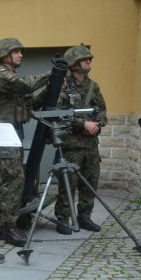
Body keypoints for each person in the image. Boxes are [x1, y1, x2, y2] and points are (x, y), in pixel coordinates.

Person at [0, 38, 50, 246]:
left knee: (8, 179)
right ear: (4, 55)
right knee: (15, 178)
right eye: (17, 52)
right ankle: (9, 227)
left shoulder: (11, 82)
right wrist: (51, 74)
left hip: (13, 132)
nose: (21, 55)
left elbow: (32, 104)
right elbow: (27, 85)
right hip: (2, 133)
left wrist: (50, 88)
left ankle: (2, 225)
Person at [53, 45, 107, 234]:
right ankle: (62, 219)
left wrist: (96, 125)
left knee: (90, 183)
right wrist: (82, 125)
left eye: (89, 59)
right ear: (73, 64)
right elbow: (58, 114)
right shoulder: (63, 85)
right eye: (84, 59)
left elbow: (101, 110)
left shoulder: (93, 86)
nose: (88, 62)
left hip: (91, 145)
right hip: (70, 146)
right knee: (68, 183)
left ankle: (85, 217)